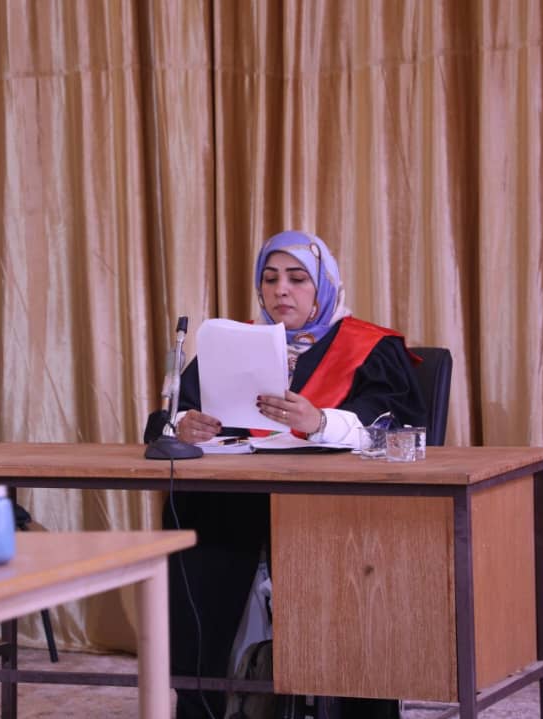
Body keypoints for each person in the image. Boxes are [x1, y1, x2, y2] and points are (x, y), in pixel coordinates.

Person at [145, 230, 426, 719]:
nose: (281, 290)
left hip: (334, 511)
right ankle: (201, 698)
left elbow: (395, 429)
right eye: (270, 279)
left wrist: (319, 422)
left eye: (297, 279)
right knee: (193, 524)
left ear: (323, 287)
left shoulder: (370, 347)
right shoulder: (232, 344)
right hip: (233, 504)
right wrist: (183, 424)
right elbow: (166, 419)